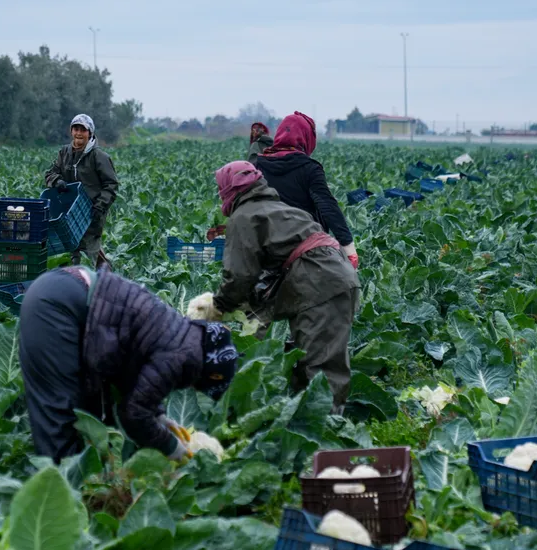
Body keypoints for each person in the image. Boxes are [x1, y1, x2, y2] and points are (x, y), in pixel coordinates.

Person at [18, 265, 239, 462]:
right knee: (59, 414)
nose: (191, 388)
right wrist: (172, 448)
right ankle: (57, 497)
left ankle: (81, 485)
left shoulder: (182, 337)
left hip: (68, 289)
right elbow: (133, 415)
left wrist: (158, 414)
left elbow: (137, 372)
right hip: (56, 307)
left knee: (88, 408)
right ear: (206, 372)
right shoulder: (182, 356)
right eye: (197, 386)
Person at [208, 161, 360, 413]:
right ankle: (309, 427)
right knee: (309, 359)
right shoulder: (278, 208)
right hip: (333, 276)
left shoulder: (244, 216)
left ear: (230, 189)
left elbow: (240, 276)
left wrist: (218, 307)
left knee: (319, 369)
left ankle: (326, 434)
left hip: (321, 282)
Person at [250, 112, 358, 268]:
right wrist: (349, 247)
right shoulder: (309, 169)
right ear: (307, 138)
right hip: (306, 249)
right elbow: (327, 206)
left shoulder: (257, 165)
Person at [45, 114, 119, 267]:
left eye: (83, 130)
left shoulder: (99, 156)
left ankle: (102, 283)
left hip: (92, 212)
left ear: (90, 133)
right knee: (72, 250)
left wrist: (100, 206)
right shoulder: (64, 153)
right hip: (70, 213)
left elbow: (111, 185)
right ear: (71, 131)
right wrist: (57, 181)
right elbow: (50, 173)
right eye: (75, 129)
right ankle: (94, 280)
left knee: (90, 252)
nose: (78, 133)